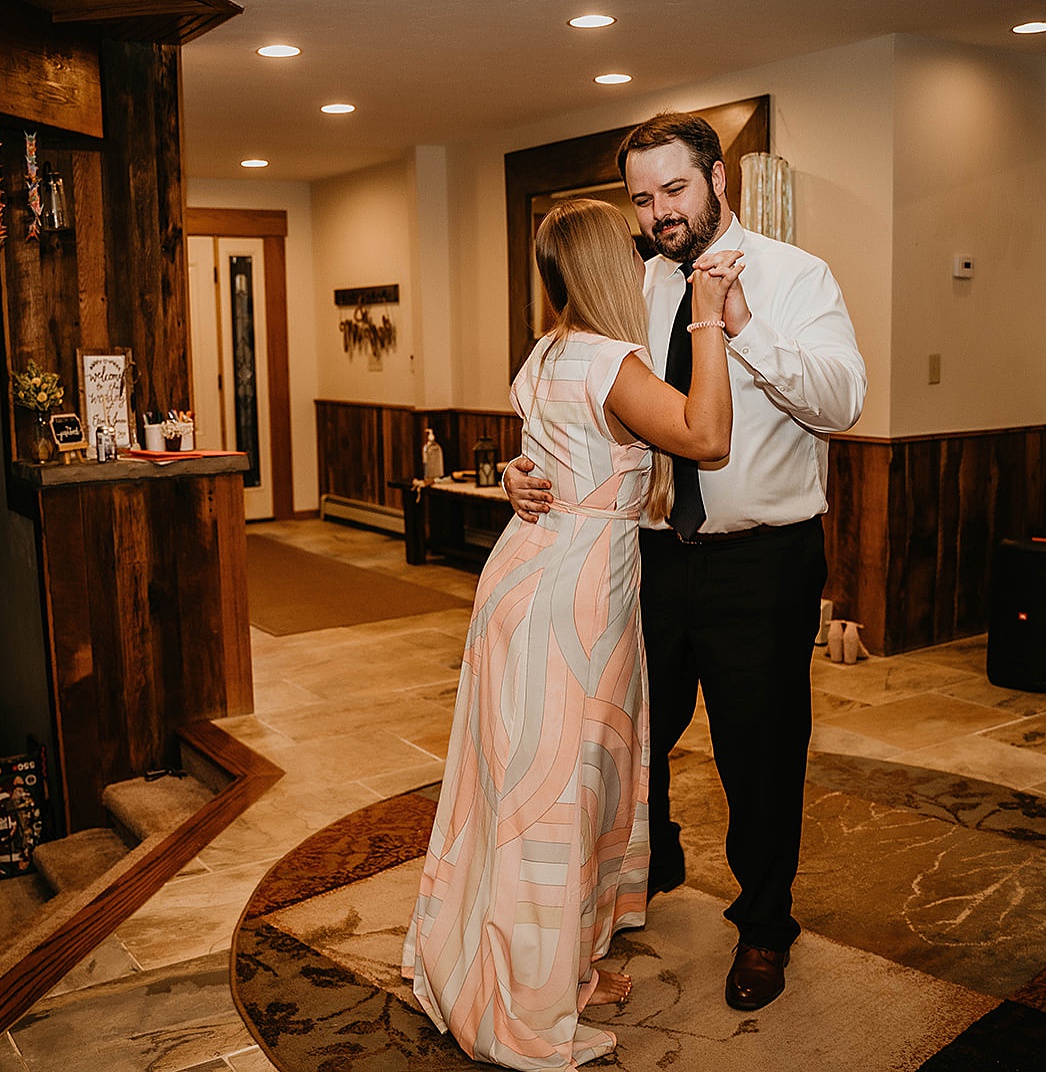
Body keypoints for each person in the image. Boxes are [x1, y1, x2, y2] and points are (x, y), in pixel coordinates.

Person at [504, 112, 867, 1013]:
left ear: (716, 179)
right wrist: (530, 469)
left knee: (760, 749)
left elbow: (844, 403)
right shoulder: (632, 288)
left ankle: (764, 923)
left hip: (763, 558)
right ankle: (650, 857)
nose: (660, 211)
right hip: (648, 555)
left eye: (674, 188)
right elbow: (596, 402)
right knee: (632, 725)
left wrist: (746, 329)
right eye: (642, 197)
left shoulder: (792, 275)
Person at [403, 197, 743, 1070]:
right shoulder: (610, 360)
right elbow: (706, 437)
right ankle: (533, 989)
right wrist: (708, 323)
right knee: (557, 795)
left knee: (521, 780)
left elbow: (549, 455)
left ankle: (554, 965)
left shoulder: (547, 353)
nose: (640, 261)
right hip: (574, 595)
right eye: (628, 249)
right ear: (606, 265)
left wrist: (522, 471)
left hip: (527, 574)